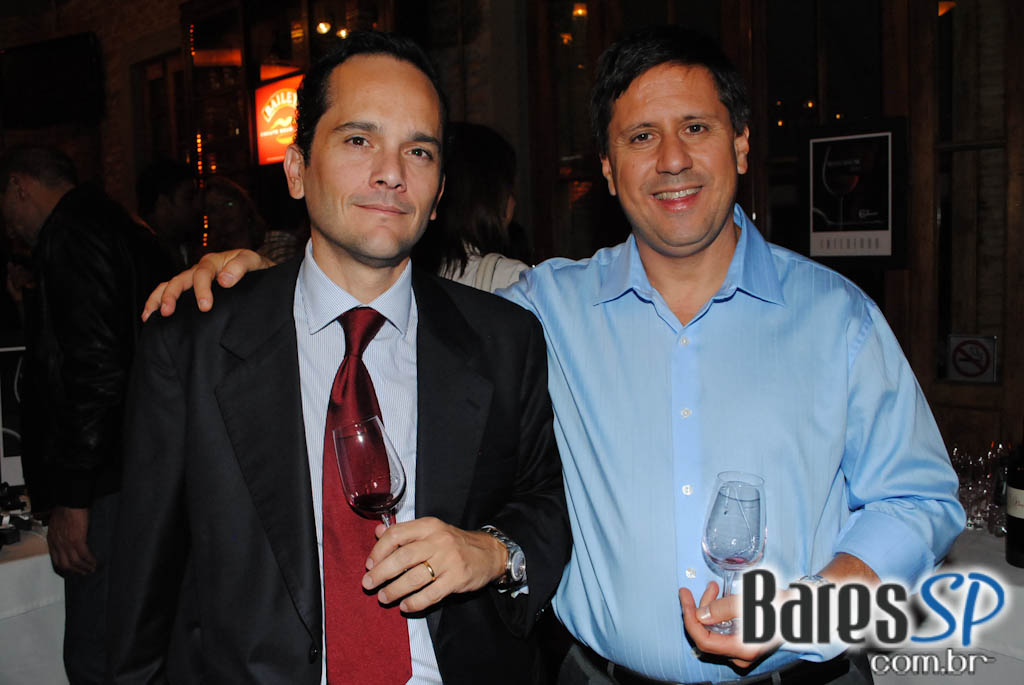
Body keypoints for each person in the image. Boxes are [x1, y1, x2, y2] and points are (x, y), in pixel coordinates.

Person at [143, 26, 964, 685]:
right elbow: (385, 297)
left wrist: (802, 610)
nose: (672, 159)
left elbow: (921, 498)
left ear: (742, 146)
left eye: (697, 128)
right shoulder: (544, 309)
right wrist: (264, 278)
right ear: (607, 168)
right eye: (640, 136)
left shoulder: (838, 319)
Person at [109, 31, 569, 685]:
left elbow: (548, 502)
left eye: (419, 151)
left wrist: (492, 550)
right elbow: (142, 590)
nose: (392, 172)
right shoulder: (194, 345)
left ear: (439, 191)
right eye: (359, 140)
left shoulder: (503, 340)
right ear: (297, 170)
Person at [0, 145, 172, 684]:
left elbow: (97, 371)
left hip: (107, 483)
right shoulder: (117, 225)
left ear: (19, 186)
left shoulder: (72, 234)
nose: (6, 220)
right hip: (140, 468)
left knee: (99, 657)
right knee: (133, 647)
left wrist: (74, 497)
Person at [411, 121, 530, 291]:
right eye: (510, 188)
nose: (514, 201)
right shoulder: (511, 279)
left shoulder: (406, 274)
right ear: (493, 195)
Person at [136, 159, 202, 270]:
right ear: (163, 203)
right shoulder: (142, 256)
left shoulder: (187, 247)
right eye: (189, 198)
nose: (197, 206)